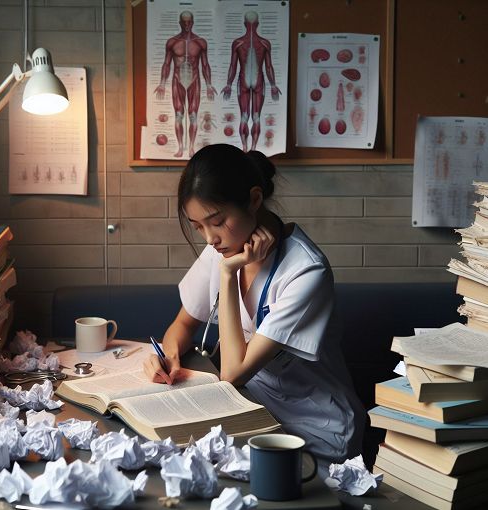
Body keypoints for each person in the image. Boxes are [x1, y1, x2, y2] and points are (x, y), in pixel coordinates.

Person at [143, 143, 365, 476]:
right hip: (251, 412)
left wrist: (229, 273)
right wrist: (170, 354)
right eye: (197, 226)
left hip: (313, 428)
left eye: (217, 222)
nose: (209, 238)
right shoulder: (224, 248)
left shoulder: (305, 271)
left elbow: (233, 373)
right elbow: (184, 324)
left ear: (255, 199)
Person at [154, 11, 217, 158]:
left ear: (193, 22)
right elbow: (166, 64)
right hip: (178, 80)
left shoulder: (200, 42)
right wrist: (162, 83)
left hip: (194, 80)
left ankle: (191, 148)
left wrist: (208, 85)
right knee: (178, 115)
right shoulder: (172, 42)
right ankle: (180, 147)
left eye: (189, 22)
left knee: (193, 115)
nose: (187, 25)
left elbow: (205, 64)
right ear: (180, 22)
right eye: (184, 22)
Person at [221, 11, 281, 152]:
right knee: (256, 117)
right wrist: (273, 85)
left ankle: (244, 147)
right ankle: (253, 149)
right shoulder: (265, 43)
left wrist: (229, 84)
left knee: (244, 116)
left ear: (244, 24)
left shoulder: (237, 43)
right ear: (258, 24)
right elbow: (268, 66)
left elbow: (233, 66)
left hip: (243, 81)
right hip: (258, 80)